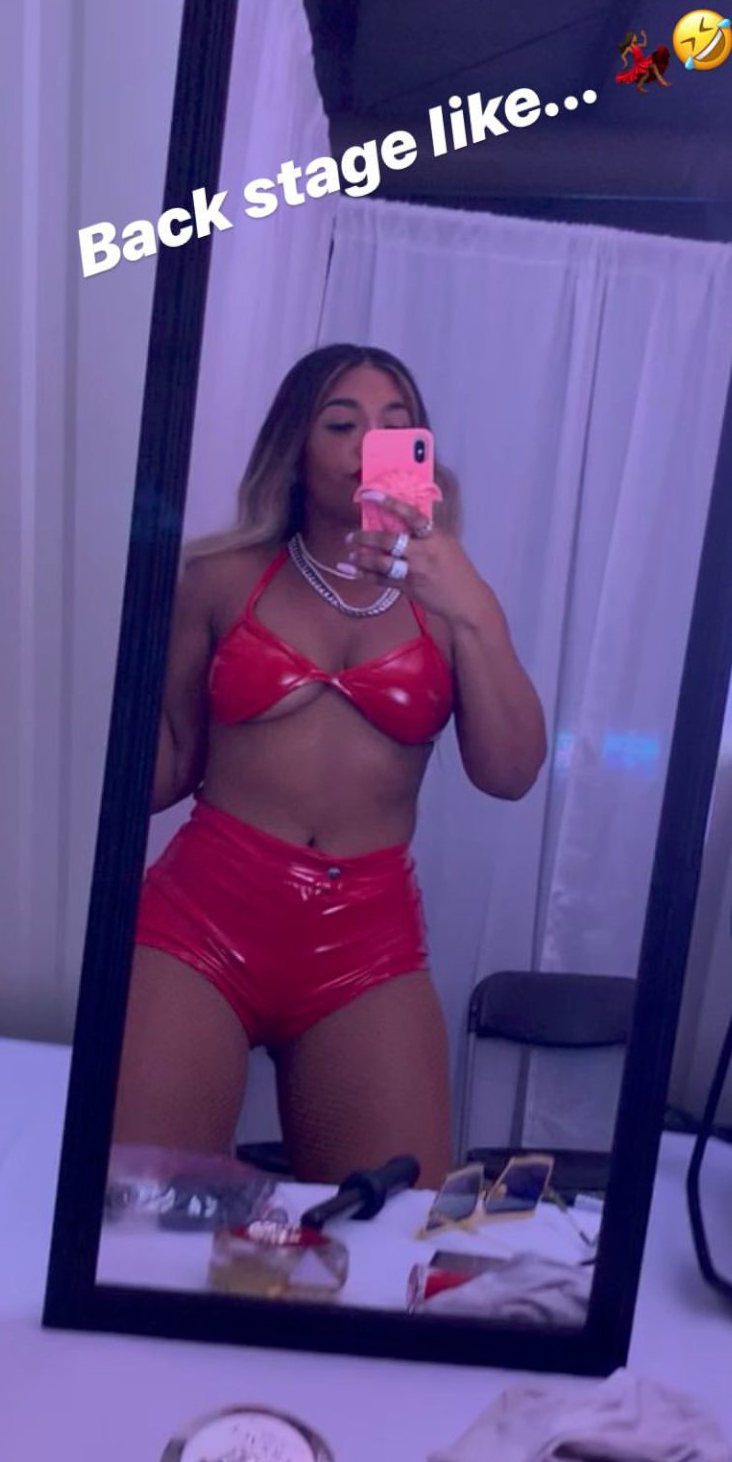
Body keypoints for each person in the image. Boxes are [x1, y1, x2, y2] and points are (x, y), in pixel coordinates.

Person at [112, 343, 547, 1186]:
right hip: (203, 913)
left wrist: (477, 614)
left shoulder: (451, 601)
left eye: (393, 427)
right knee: (139, 1201)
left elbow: (510, 774)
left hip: (367, 939)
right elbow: (166, 768)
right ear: (293, 451)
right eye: (341, 425)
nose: (365, 446)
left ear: (421, 455)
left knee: (395, 1221)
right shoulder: (219, 579)